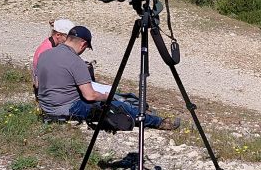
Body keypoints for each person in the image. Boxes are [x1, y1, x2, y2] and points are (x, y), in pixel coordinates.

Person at [35, 25, 175, 129]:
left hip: (45, 106)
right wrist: (106, 97)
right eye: (86, 48)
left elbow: (37, 83)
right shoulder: (75, 61)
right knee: (115, 103)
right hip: (67, 108)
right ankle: (158, 122)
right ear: (83, 44)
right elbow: (90, 96)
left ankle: (145, 112)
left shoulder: (45, 54)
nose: (84, 51)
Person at [32, 18, 74, 88]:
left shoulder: (50, 43)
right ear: (58, 35)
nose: (70, 41)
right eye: (68, 37)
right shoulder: (47, 50)